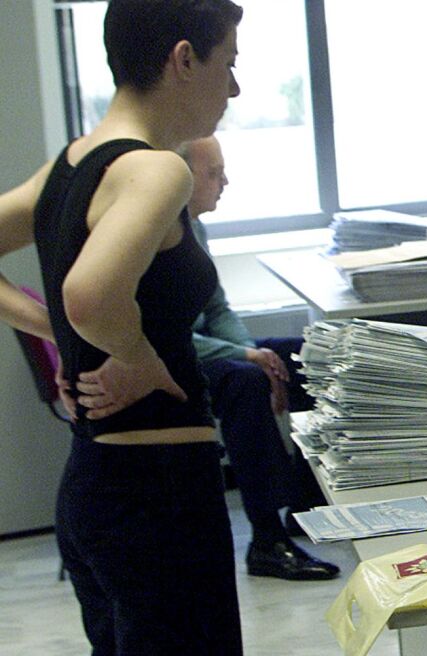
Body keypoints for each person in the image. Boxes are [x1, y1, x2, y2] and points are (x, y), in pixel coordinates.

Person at [0, 1, 246, 652]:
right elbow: (87, 295)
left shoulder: (69, 166)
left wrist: (60, 333)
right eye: (229, 64)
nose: (235, 88)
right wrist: (132, 352)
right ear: (184, 59)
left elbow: (79, 304)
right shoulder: (156, 168)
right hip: (155, 495)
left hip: (96, 487)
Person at [180, 136, 338, 581]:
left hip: (214, 345)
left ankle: (307, 505)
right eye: (213, 173)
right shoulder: (156, 232)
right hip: (172, 360)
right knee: (244, 383)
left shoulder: (195, 225)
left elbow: (217, 309)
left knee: (309, 358)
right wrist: (247, 357)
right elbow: (168, 335)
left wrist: (258, 354)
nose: (224, 181)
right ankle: (267, 539)